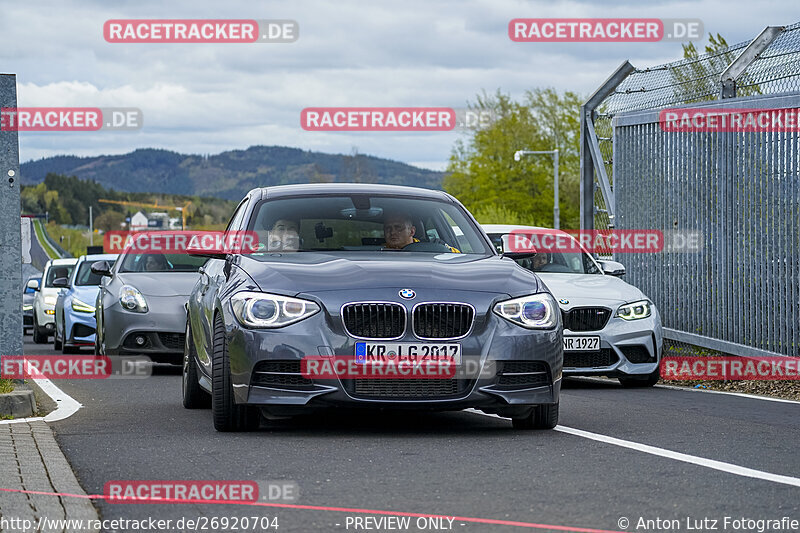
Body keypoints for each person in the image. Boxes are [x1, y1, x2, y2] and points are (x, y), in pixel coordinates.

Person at [382, 213, 460, 253]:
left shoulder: (432, 248)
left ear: (412, 231)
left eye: (398, 228)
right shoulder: (377, 251)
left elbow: (458, 258)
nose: (392, 232)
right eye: (388, 228)